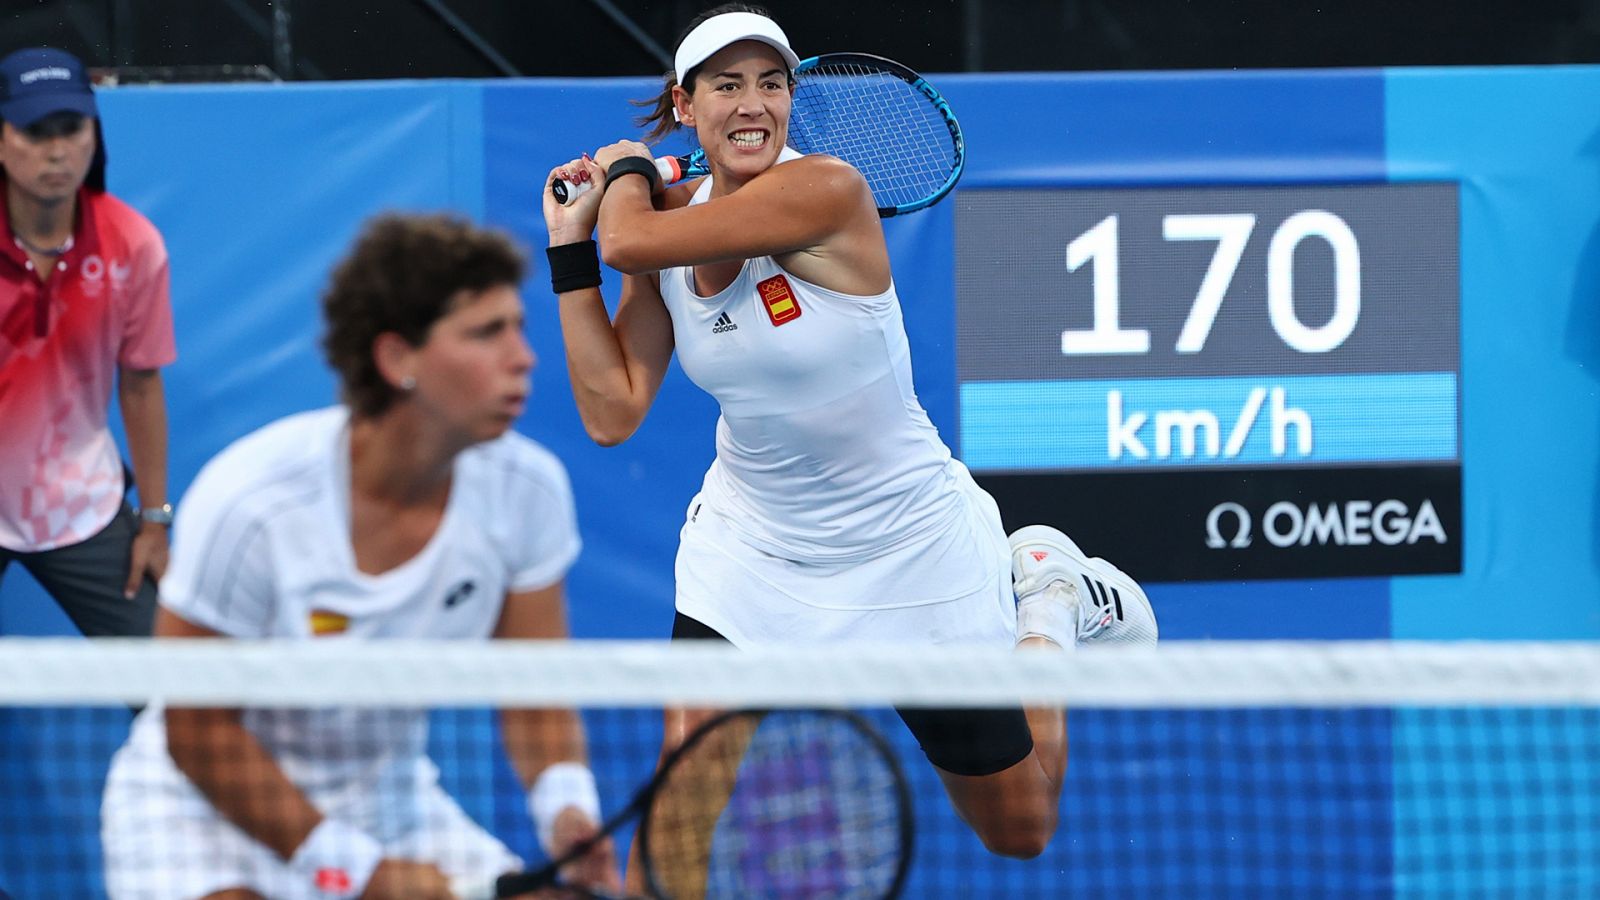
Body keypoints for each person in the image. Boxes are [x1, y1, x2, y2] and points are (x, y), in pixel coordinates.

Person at [540, 1, 1159, 890]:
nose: (753, 104)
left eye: (771, 83)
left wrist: (626, 170)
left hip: (911, 545)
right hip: (753, 550)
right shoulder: (673, 229)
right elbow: (613, 410)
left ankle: (1050, 604)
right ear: (687, 103)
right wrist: (570, 249)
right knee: (669, 843)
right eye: (726, 85)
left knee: (1020, 826)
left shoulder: (824, 189)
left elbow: (630, 235)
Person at [100, 214, 619, 899]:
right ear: (397, 358)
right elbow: (197, 733)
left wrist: (567, 811)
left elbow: (534, 693)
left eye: (517, 328)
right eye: (486, 333)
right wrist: (352, 870)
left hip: (392, 809)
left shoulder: (528, 491)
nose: (524, 356)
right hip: (200, 813)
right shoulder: (254, 501)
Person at [0, 46, 173, 636]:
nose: (56, 149)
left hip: (82, 509)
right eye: (33, 130)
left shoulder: (133, 245)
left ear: (93, 136)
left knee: (177, 696)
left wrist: (154, 522)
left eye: (71, 128)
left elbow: (142, 385)